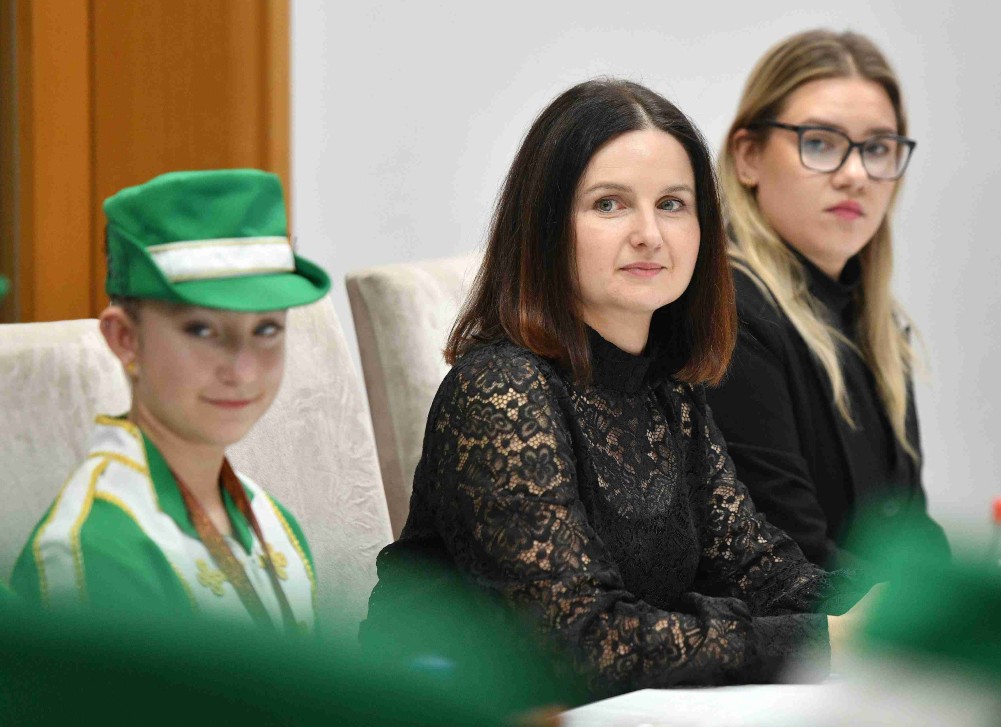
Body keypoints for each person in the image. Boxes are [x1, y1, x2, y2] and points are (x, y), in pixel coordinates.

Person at [363, 79, 872, 693]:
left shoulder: (667, 387)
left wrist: (891, 616)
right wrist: (822, 639)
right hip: (443, 718)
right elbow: (582, 642)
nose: (649, 234)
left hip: (598, 719)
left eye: (672, 204)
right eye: (609, 204)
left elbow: (752, 566)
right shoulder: (501, 392)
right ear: (546, 227)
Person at [11, 169, 329, 632]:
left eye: (266, 329)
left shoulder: (276, 524)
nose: (242, 371)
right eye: (202, 330)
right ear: (125, 339)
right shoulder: (100, 548)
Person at [710, 30, 950, 575]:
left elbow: (910, 534)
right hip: (811, 627)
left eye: (878, 149)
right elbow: (793, 559)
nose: (856, 175)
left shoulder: (875, 323)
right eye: (820, 143)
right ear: (748, 156)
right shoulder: (731, 315)